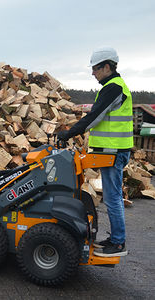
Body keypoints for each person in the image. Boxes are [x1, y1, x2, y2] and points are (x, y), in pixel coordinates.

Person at [57, 47, 133, 257]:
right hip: (111, 150)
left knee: (113, 197)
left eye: (95, 69)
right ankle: (115, 239)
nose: (93, 73)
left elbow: (94, 117)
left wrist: (69, 133)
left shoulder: (113, 88)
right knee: (113, 196)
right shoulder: (113, 87)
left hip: (113, 152)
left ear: (106, 67)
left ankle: (118, 243)